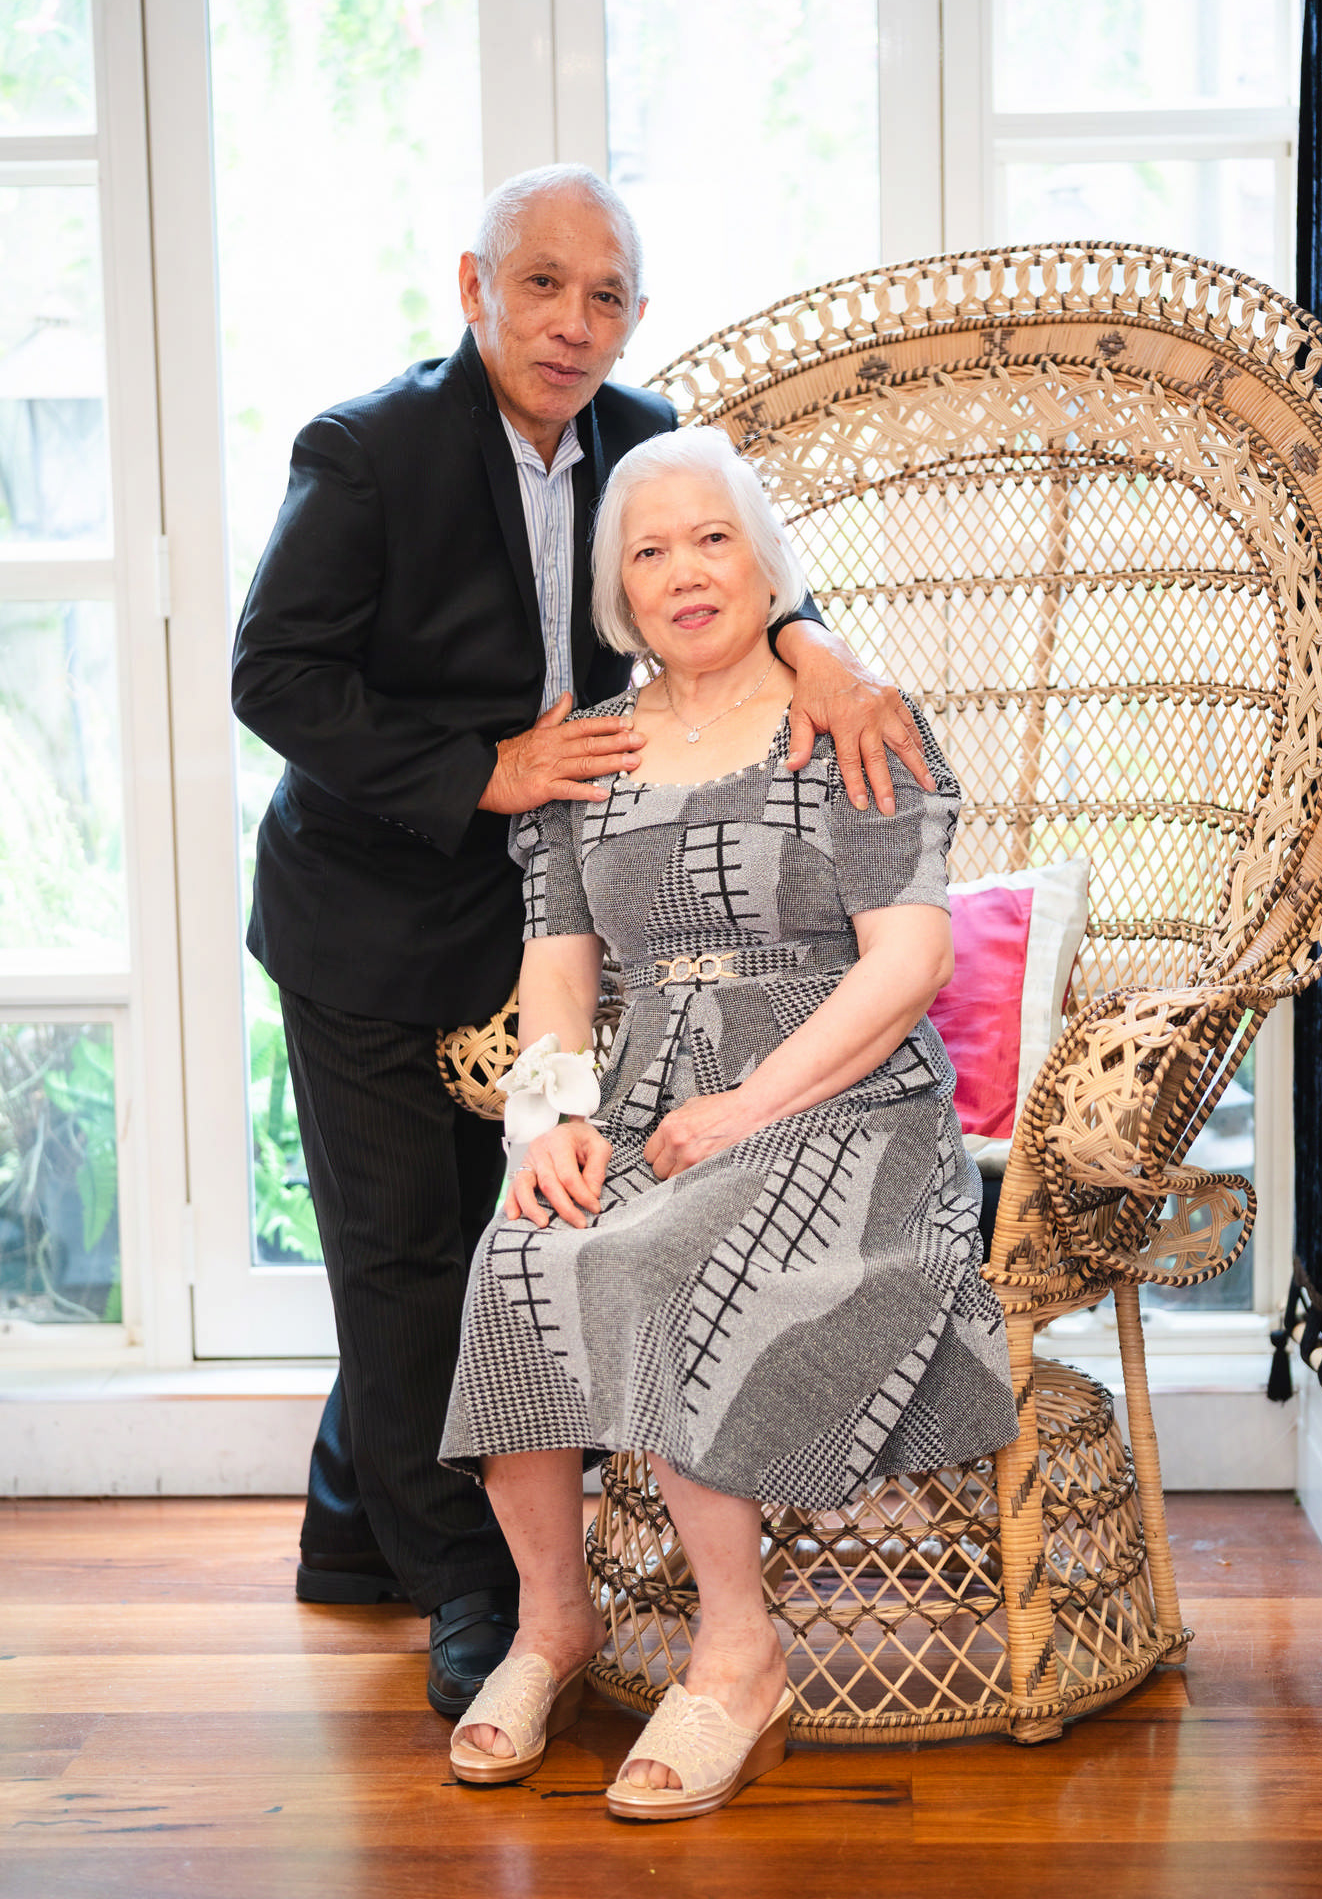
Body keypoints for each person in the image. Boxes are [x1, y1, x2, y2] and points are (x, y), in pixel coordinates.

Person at [231, 165, 938, 1719]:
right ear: (473, 289)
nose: (571, 322)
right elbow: (271, 675)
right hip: (368, 904)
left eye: (604, 296)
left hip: (549, 903)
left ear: (633, 316)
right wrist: (480, 773)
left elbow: (742, 568)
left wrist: (816, 651)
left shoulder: (640, 433)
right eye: (540, 284)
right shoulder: (365, 452)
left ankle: (356, 1531)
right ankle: (471, 1594)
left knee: (496, 1223)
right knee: (402, 1253)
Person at [439, 426, 1019, 1819]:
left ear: (767, 567)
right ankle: (552, 1623)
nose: (685, 572)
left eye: (713, 540)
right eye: (649, 551)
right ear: (618, 592)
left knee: (662, 1256)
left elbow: (907, 964)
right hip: (648, 1095)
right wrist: (545, 1123)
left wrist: (749, 1105)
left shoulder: (847, 722)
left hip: (847, 1105)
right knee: (519, 1254)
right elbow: (558, 974)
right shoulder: (592, 750)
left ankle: (739, 1658)